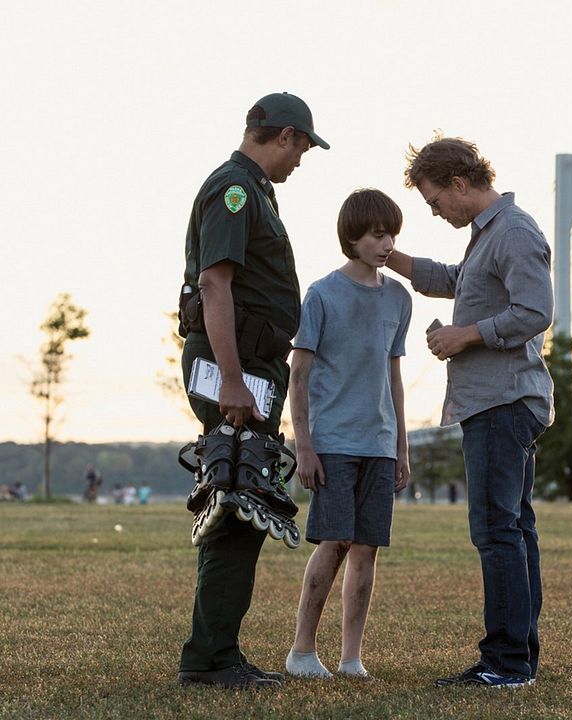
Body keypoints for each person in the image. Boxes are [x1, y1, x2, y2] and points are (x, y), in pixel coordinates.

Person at [385, 135, 554, 688]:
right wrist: (394, 258)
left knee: (495, 531)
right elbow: (461, 282)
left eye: (435, 201)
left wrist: (465, 336)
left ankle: (504, 664)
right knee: (514, 528)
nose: (435, 212)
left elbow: (535, 312)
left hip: (503, 401)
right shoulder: (488, 237)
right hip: (496, 401)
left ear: (459, 183)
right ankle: (519, 660)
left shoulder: (514, 231)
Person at [176, 91, 329, 690]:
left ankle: (215, 651)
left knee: (243, 501)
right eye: (302, 150)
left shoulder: (253, 191)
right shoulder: (234, 189)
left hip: (250, 366)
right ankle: (211, 658)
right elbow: (216, 286)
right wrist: (234, 379)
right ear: (286, 136)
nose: (300, 162)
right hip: (233, 371)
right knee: (238, 506)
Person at [283, 188, 412, 680]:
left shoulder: (400, 299)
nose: (388, 244)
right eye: (379, 235)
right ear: (352, 237)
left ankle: (351, 658)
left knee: (367, 549)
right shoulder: (321, 295)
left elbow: (393, 377)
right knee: (334, 541)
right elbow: (299, 376)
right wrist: (305, 445)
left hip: (379, 444)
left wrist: (400, 447)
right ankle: (301, 652)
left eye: (393, 234)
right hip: (332, 442)